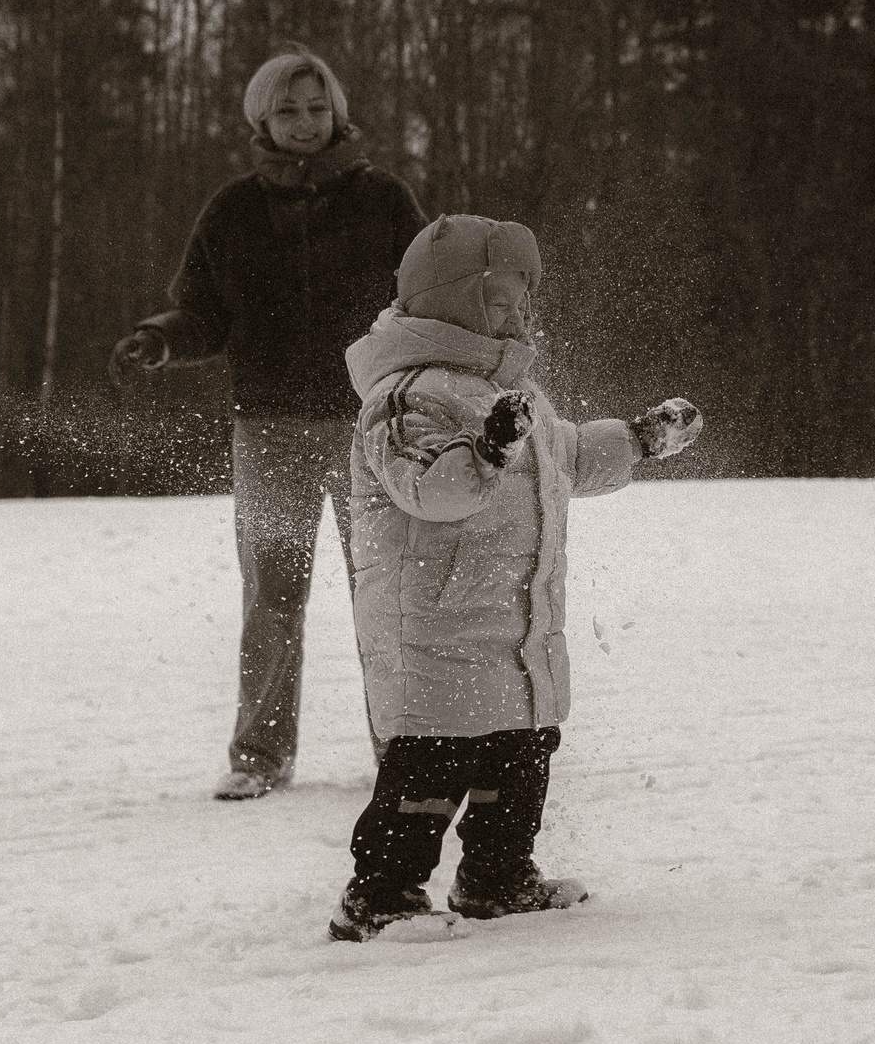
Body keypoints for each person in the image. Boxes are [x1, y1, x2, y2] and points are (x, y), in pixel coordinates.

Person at [327, 214, 704, 940]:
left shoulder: (515, 393)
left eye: (524, 297)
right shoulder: (405, 396)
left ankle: (498, 877)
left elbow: (560, 458)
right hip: (432, 636)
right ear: (449, 300)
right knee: (428, 774)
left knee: (522, 756)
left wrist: (635, 439)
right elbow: (431, 489)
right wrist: (489, 448)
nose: (519, 313)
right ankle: (381, 893)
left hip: (514, 633)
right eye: (500, 298)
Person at [110, 46, 425, 801]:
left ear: (338, 112)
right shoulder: (232, 211)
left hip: (370, 429)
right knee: (272, 596)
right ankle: (259, 756)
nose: (306, 123)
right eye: (288, 110)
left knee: (383, 593)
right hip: (270, 429)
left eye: (317, 108)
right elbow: (202, 312)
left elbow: (426, 293)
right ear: (262, 118)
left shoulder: (383, 199)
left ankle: (408, 745)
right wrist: (158, 339)